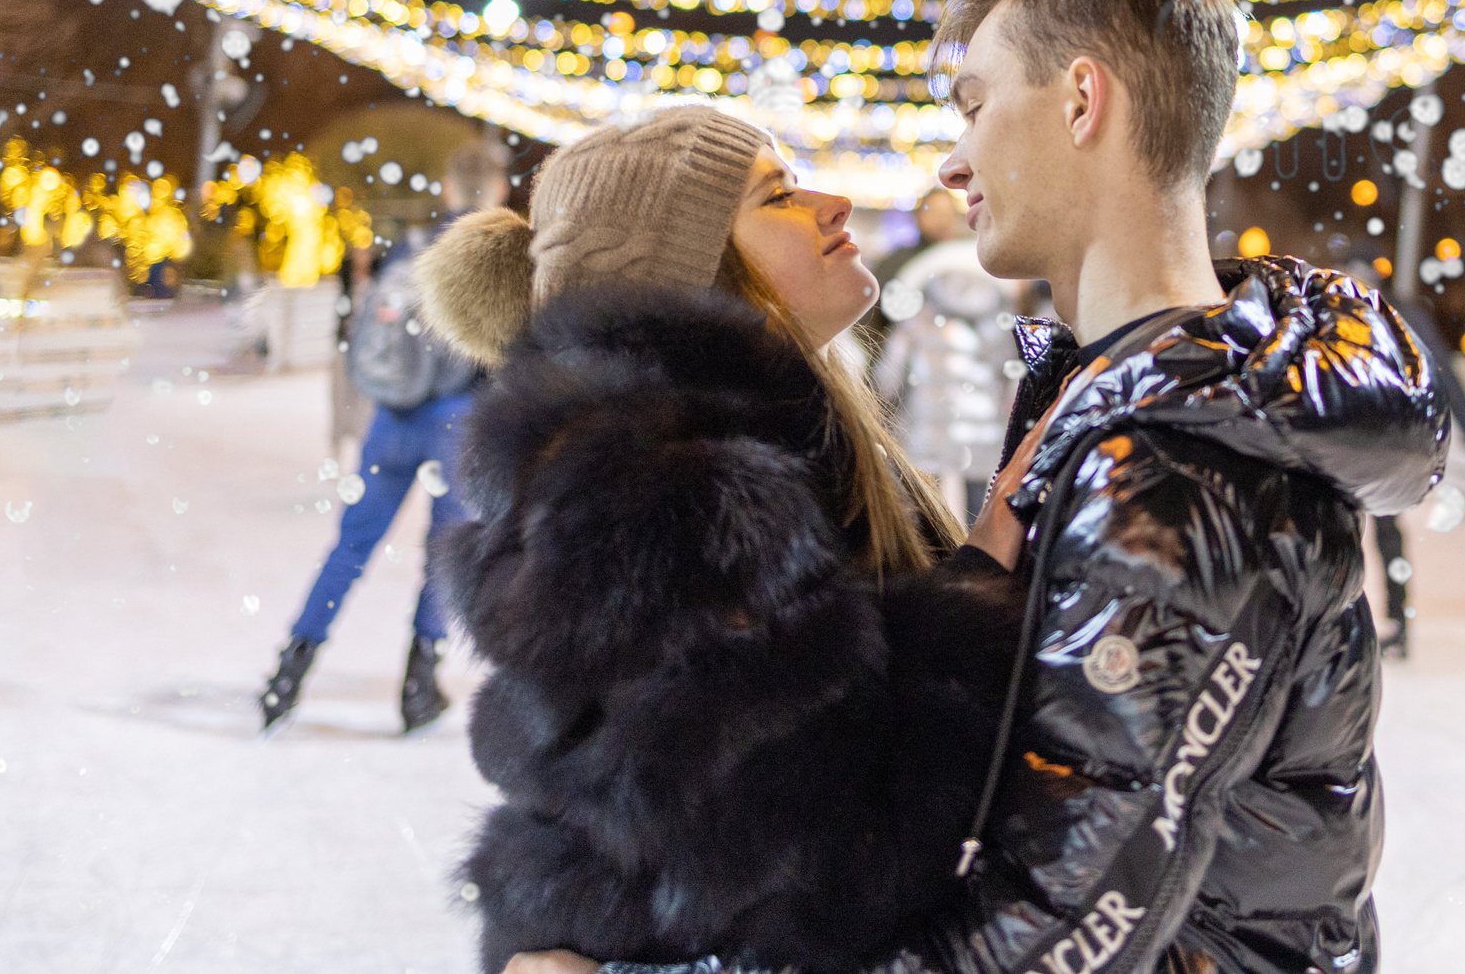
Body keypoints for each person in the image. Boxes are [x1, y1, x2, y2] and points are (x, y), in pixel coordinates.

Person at [503, 0, 1449, 974]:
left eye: (972, 104)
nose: (950, 164)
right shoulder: (1112, 397)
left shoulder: (1184, 468)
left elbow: (1051, 934)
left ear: (1081, 101)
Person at [414, 108, 1023, 974]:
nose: (834, 201)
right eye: (778, 194)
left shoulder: (777, 434)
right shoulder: (676, 487)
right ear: (693, 274)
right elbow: (810, 852)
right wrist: (980, 591)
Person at [256, 138, 508, 737]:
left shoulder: (414, 246)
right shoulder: (501, 260)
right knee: (444, 561)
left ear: (447, 187)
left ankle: (290, 672)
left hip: (391, 422)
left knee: (349, 548)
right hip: (457, 425)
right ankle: (420, 686)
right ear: (497, 191)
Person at [871, 189, 1014, 522]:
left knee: (924, 521)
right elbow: (1011, 373)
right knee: (981, 517)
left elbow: (887, 375)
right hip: (983, 434)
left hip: (924, 431)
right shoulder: (996, 304)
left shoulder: (915, 297)